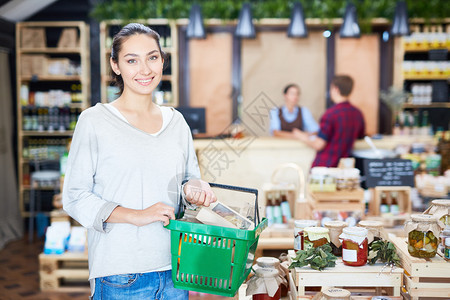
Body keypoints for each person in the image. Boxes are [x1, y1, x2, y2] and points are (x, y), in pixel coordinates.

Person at [62, 23, 217, 300]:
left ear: (162, 61)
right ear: (116, 65)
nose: (145, 69)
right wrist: (136, 215)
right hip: (120, 273)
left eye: (152, 57)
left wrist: (194, 188)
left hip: (175, 268)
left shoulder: (176, 121)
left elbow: (187, 180)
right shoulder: (95, 121)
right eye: (132, 60)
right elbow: (75, 197)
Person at [296, 75, 365, 167]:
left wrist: (303, 137)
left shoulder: (330, 114)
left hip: (326, 166)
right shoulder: (357, 114)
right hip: (345, 167)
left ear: (336, 89)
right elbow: (360, 136)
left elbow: (319, 144)